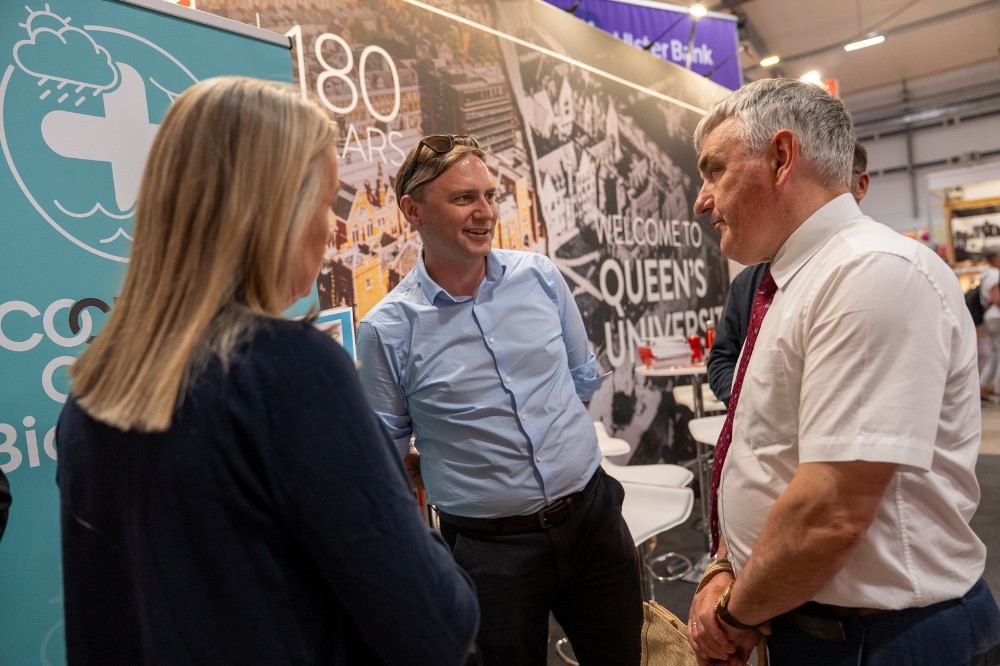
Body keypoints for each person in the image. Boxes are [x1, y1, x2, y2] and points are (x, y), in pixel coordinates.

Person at [56, 78, 478, 665]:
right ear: (272, 210)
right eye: (325, 201)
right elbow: (435, 623)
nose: (333, 230)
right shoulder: (287, 371)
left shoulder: (94, 392)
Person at [686, 78, 1000, 666]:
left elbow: (832, 512)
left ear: (781, 158)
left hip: (884, 639)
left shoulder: (870, 274)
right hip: (809, 620)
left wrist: (731, 616)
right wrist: (728, 565)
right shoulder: (796, 282)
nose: (702, 199)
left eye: (714, 170)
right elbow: (766, 451)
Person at [356, 134, 642, 666]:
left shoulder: (540, 277)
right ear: (412, 211)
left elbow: (579, 381)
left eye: (490, 195)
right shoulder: (387, 329)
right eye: (464, 198)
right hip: (491, 555)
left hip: (593, 520)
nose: (485, 211)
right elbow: (383, 455)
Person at [707, 141, 869, 406]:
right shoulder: (749, 284)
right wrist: (743, 400)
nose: (705, 201)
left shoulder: (865, 270)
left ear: (859, 185)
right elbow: (722, 358)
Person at [979, 250, 1000, 402]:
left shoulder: (986, 275)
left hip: (990, 317)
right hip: (997, 316)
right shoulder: (994, 275)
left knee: (994, 356)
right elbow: (997, 298)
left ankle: (982, 387)